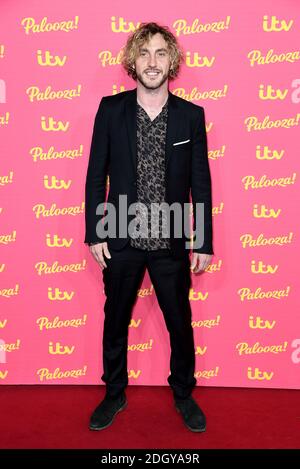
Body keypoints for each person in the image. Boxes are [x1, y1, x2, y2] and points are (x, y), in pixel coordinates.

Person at [84, 22, 214, 432]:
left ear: (171, 61)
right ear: (132, 61)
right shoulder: (110, 109)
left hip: (171, 237)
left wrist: (203, 240)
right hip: (121, 234)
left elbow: (201, 181)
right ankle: (114, 392)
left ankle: (183, 393)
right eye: (144, 53)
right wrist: (95, 230)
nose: (152, 61)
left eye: (160, 53)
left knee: (180, 321)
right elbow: (95, 176)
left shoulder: (191, 116)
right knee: (115, 319)